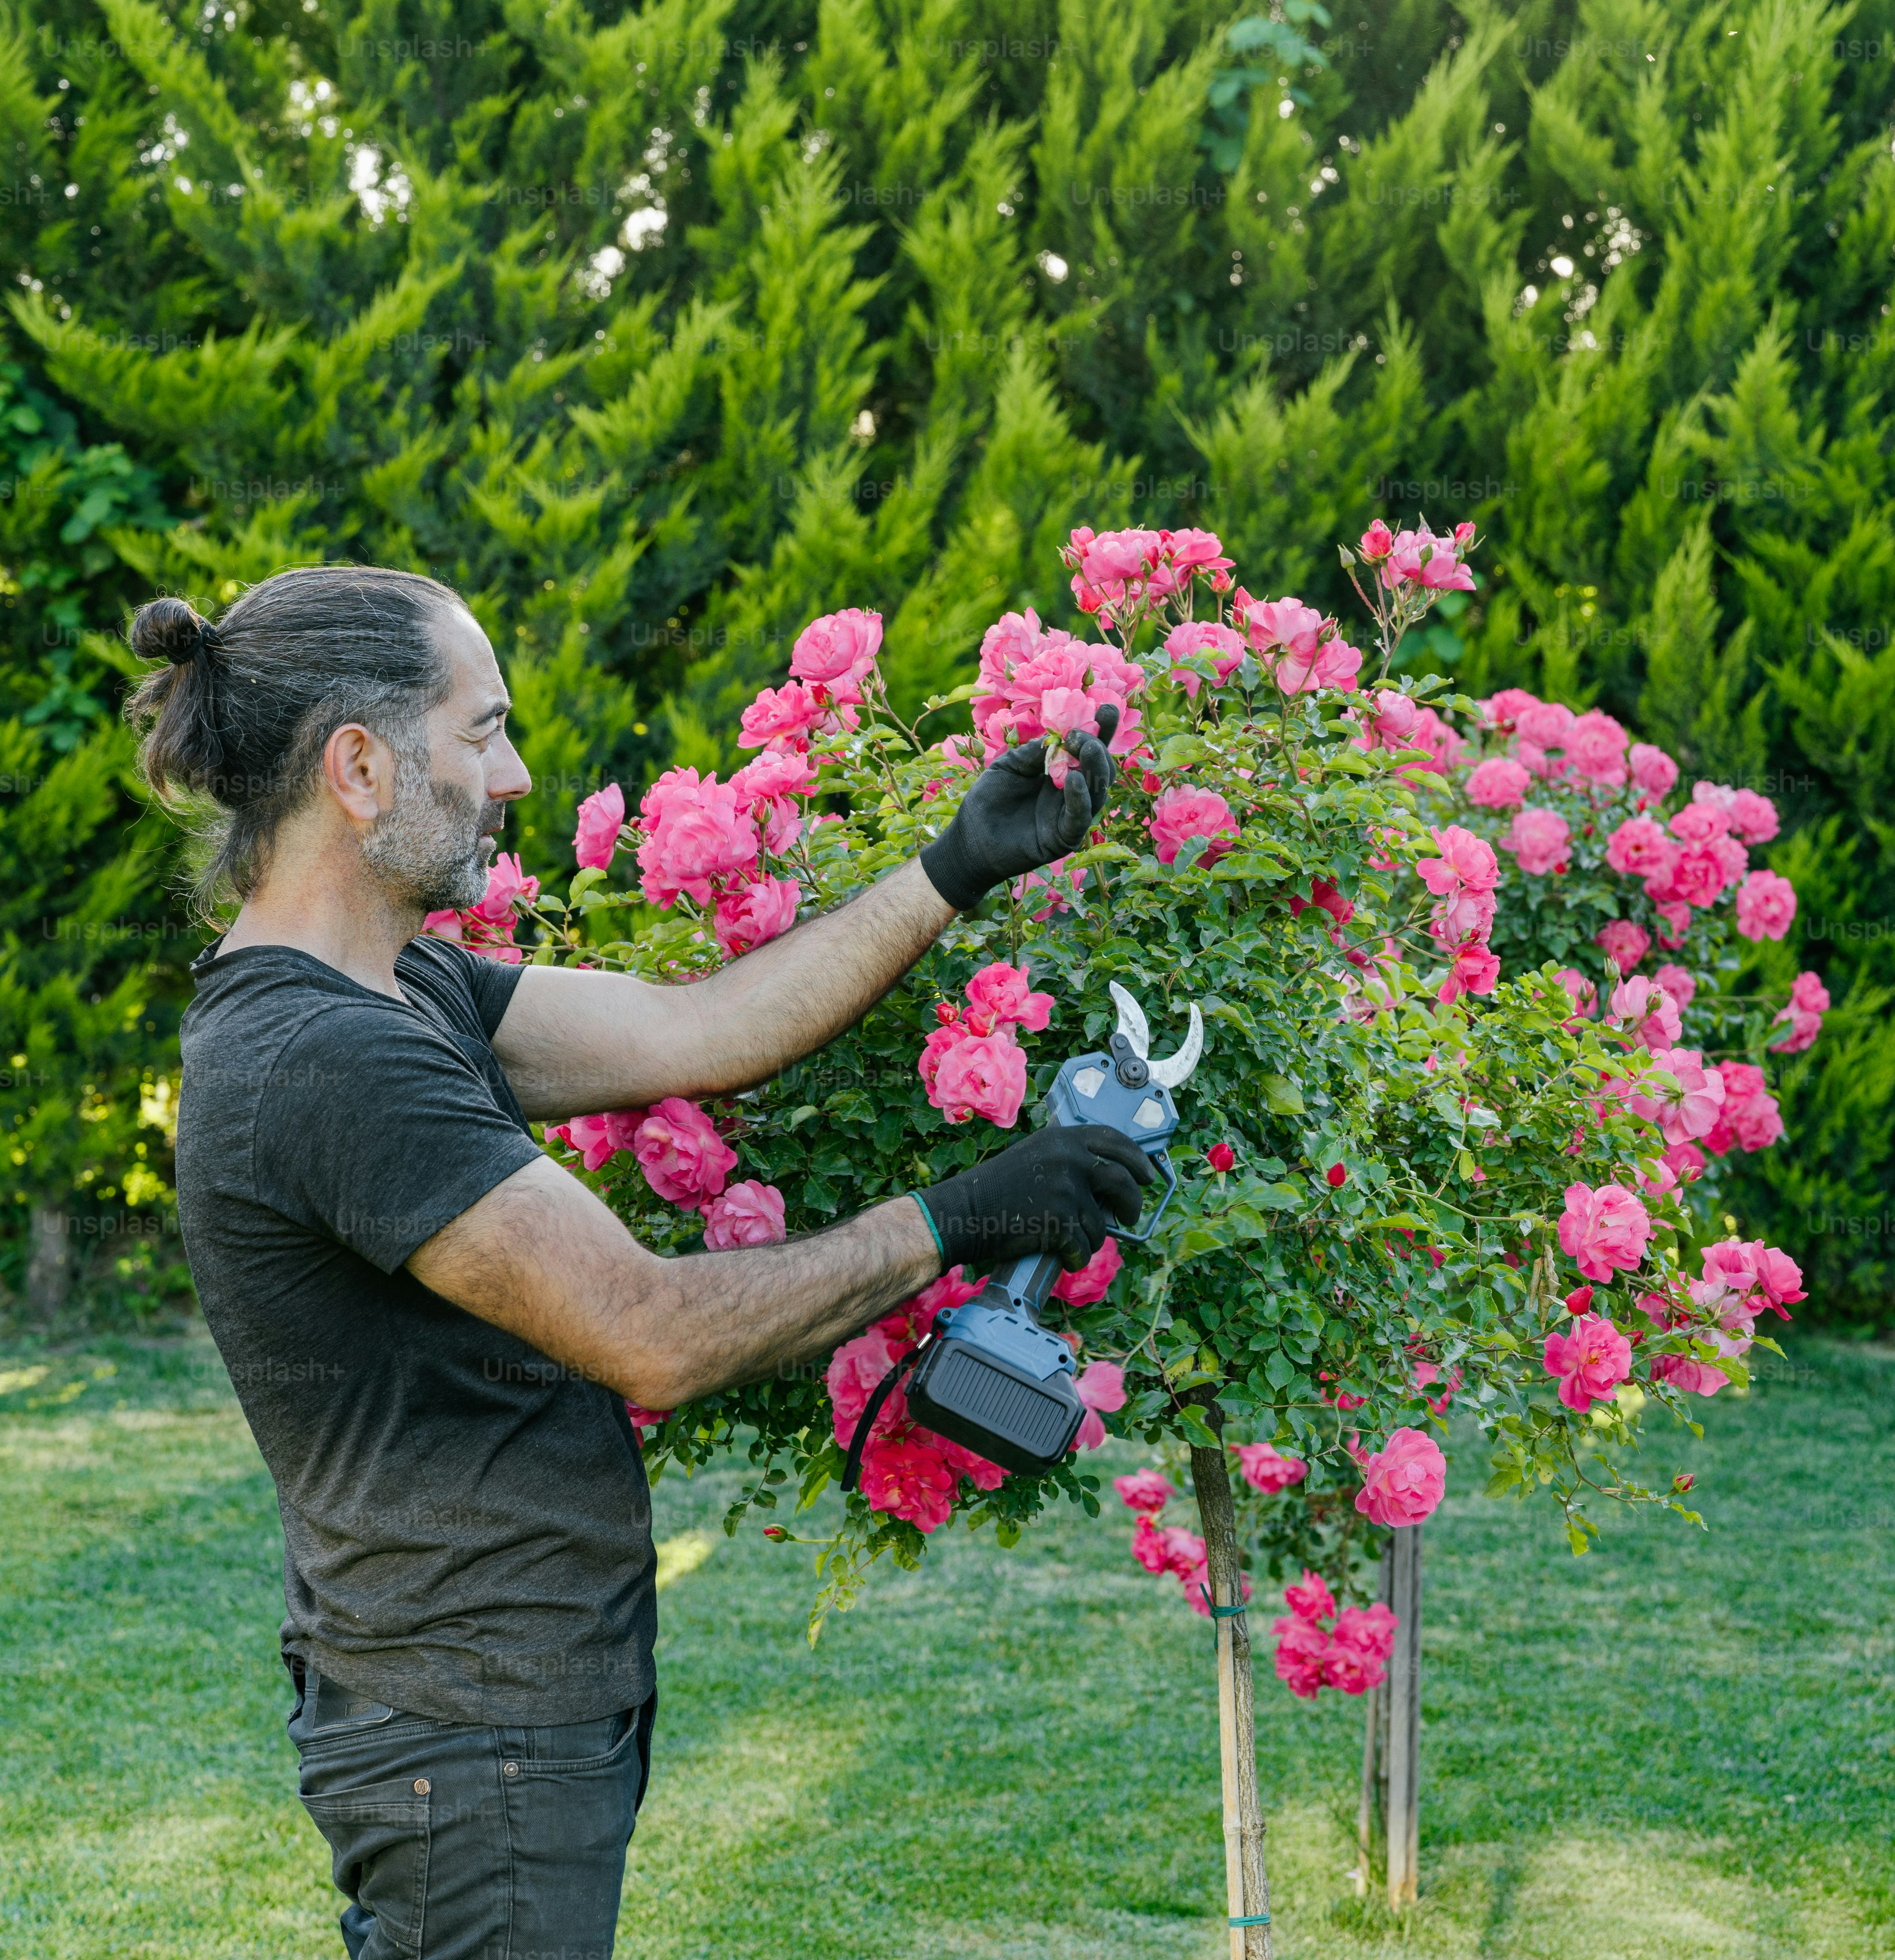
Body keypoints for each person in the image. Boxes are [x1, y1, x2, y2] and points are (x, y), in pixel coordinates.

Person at [128, 565, 1151, 1960]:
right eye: (481, 733)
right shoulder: (326, 1059)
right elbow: (651, 1326)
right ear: (357, 768)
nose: (517, 776)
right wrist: (963, 1217)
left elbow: (701, 1030)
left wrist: (954, 868)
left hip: (481, 1709)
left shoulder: (401, 984)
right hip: (469, 1733)